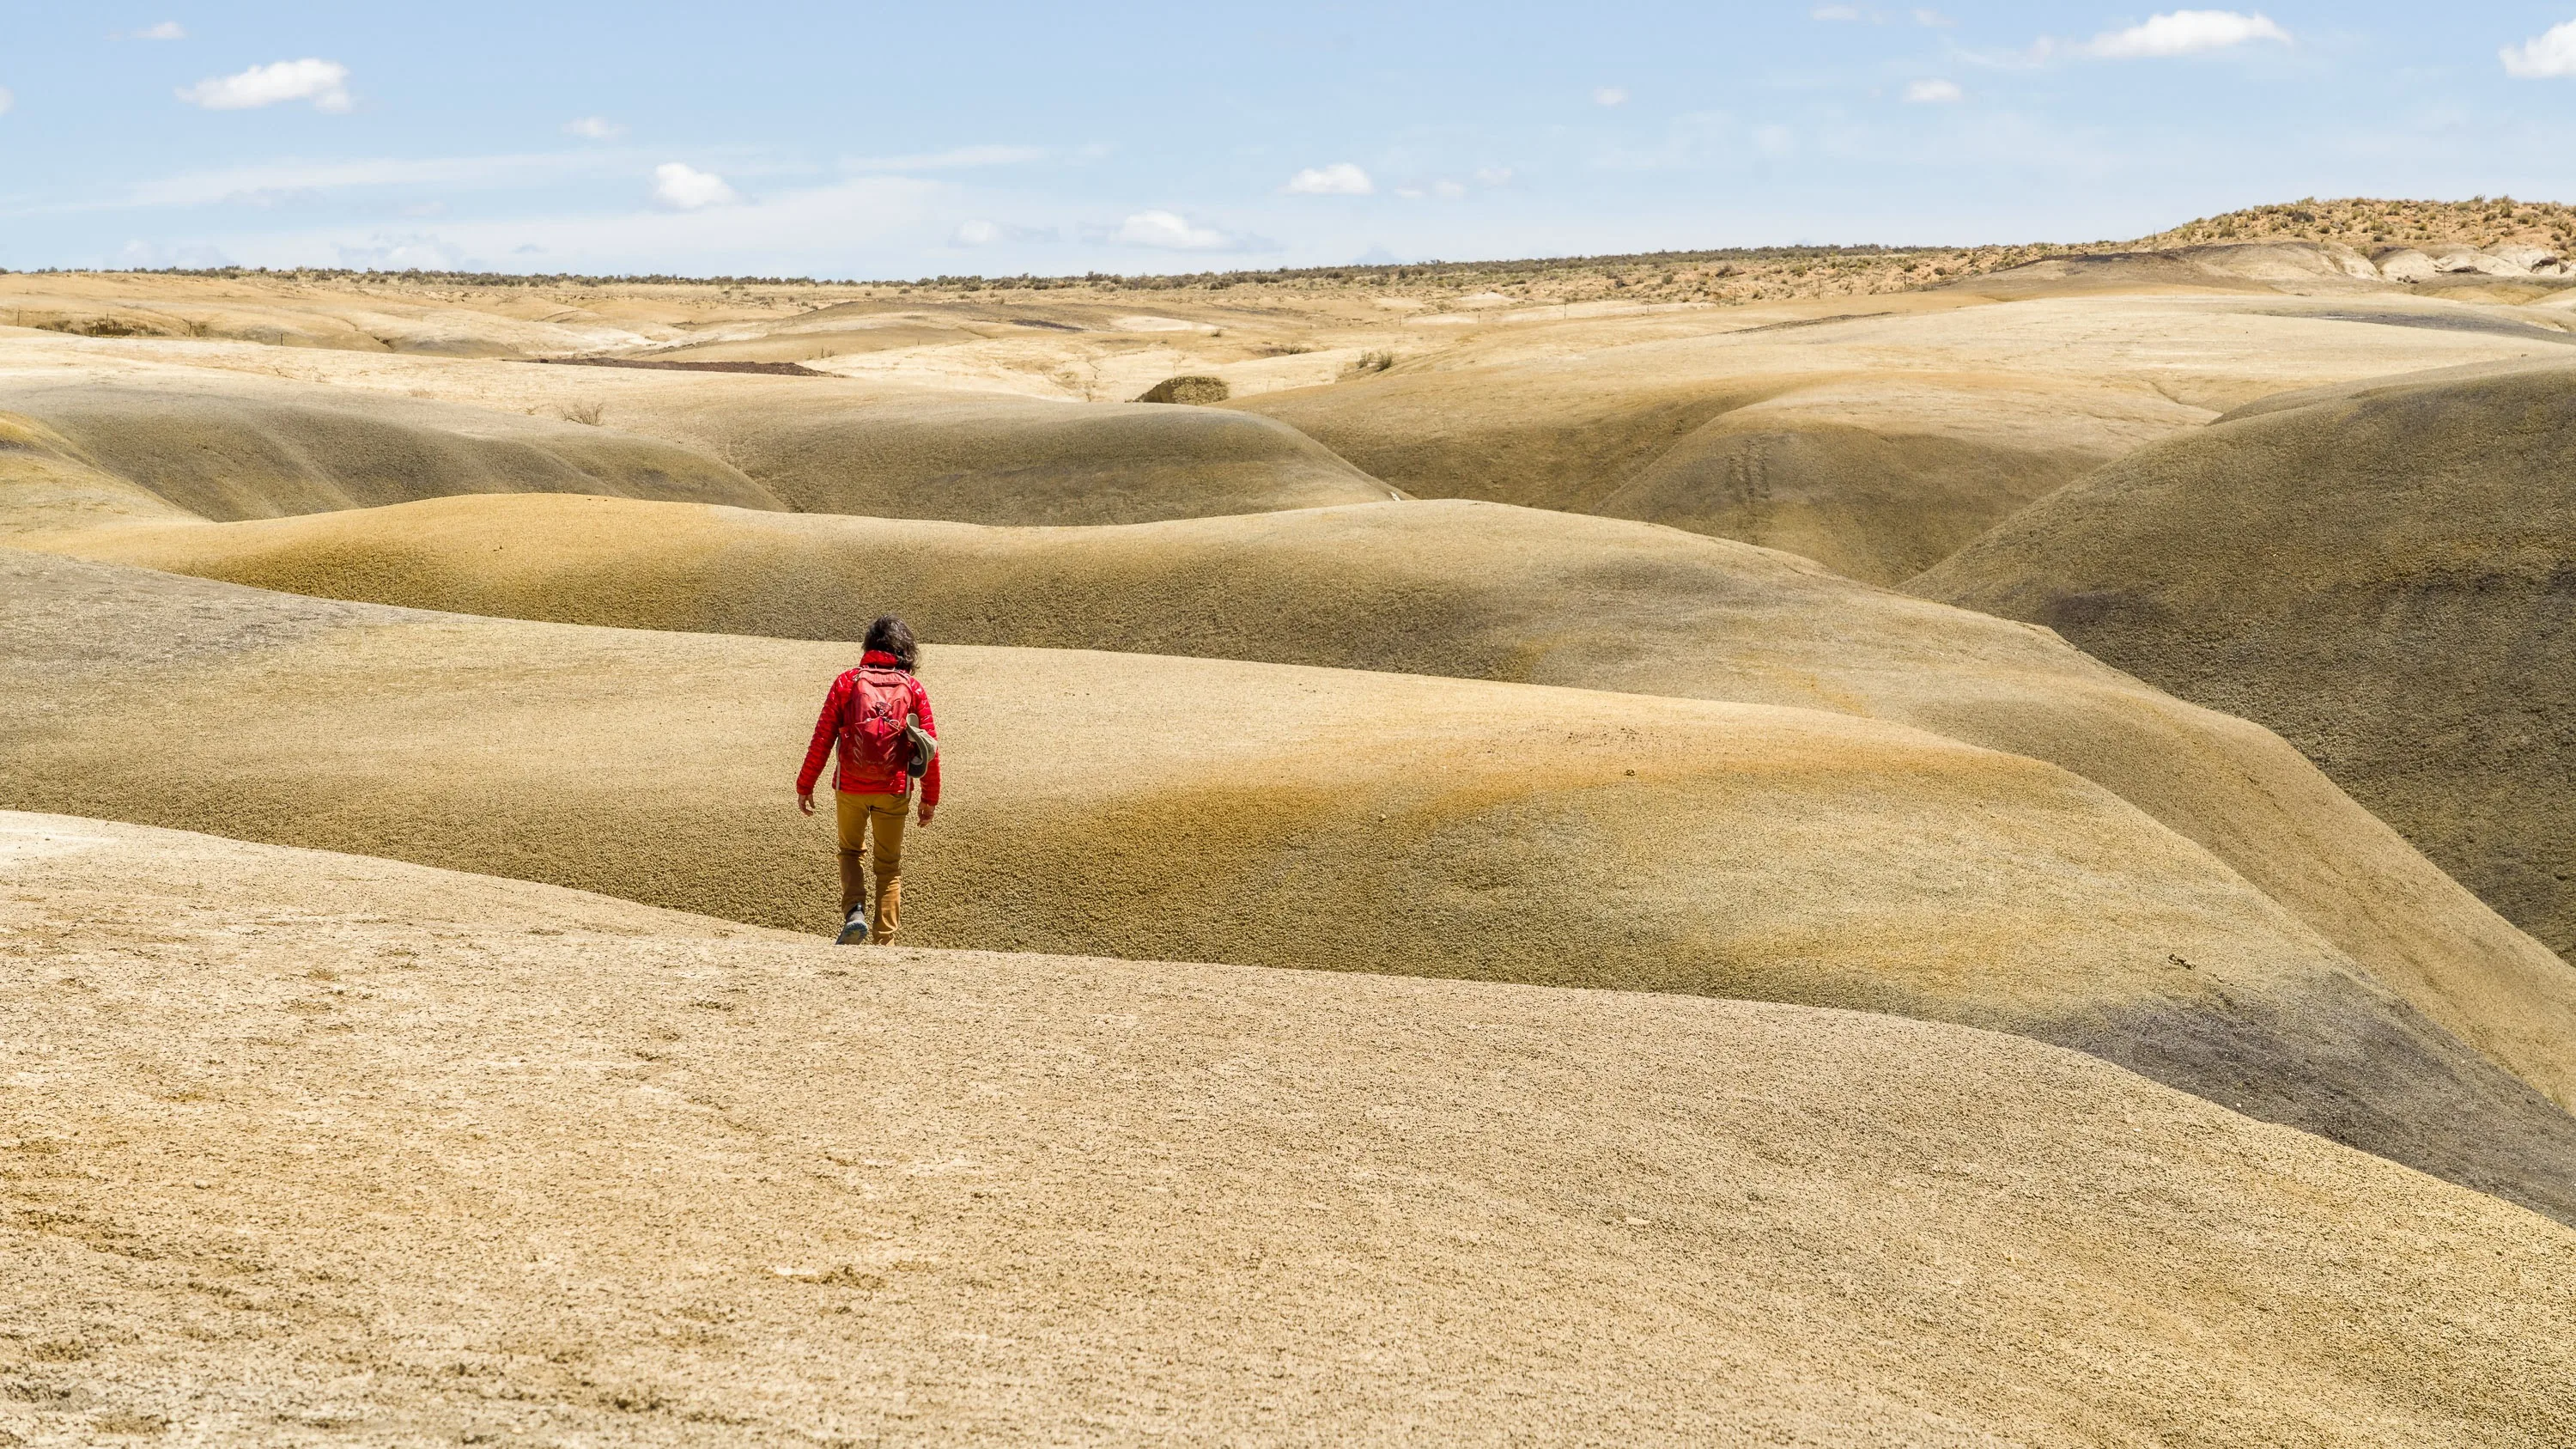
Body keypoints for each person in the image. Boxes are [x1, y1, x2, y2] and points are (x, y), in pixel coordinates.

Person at [796, 617, 940, 946]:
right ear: (904, 650)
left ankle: (855, 914)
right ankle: (885, 941)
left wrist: (805, 785)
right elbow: (929, 746)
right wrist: (930, 797)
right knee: (888, 866)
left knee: (850, 851)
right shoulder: (913, 688)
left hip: (850, 785)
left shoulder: (847, 682)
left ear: (869, 646)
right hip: (895, 788)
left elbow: (822, 738)